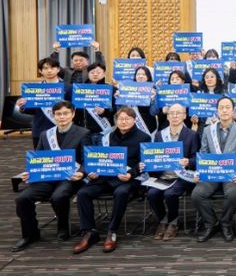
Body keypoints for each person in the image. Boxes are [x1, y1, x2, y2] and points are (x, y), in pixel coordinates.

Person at [12, 101, 90, 252]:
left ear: (73, 114)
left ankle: (63, 227)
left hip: (70, 178)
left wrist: (81, 172)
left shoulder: (83, 133)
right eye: (58, 114)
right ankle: (30, 234)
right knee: (22, 199)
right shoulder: (45, 134)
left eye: (65, 113)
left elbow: (87, 160)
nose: (62, 117)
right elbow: (38, 159)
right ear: (53, 116)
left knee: (58, 196)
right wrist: (30, 173)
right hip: (47, 177)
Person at [73, 106, 151, 253]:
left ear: (134, 120)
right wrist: (93, 171)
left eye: (127, 119)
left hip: (128, 179)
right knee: (83, 193)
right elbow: (99, 158)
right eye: (120, 119)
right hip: (105, 177)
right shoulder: (107, 137)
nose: (123, 122)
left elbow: (144, 163)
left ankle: (112, 231)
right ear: (116, 120)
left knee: (121, 193)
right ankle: (89, 231)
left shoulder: (144, 138)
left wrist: (131, 174)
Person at [191, 96, 236, 243]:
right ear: (217, 111)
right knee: (197, 194)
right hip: (212, 173)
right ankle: (211, 223)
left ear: (233, 111)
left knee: (233, 194)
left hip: (231, 173)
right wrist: (199, 172)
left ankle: (225, 223)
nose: (224, 110)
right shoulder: (207, 130)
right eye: (221, 108)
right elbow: (203, 153)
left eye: (227, 107)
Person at [142, 103, 199, 241]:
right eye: (171, 113)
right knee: (152, 194)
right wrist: (146, 163)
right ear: (167, 117)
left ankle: (173, 222)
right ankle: (163, 220)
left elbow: (197, 158)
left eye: (178, 113)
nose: (175, 116)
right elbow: (153, 156)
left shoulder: (192, 135)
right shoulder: (159, 135)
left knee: (170, 194)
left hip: (182, 176)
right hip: (163, 176)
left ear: (184, 116)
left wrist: (188, 161)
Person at [16, 57, 73, 148]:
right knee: (41, 156)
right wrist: (22, 106)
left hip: (63, 129)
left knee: (62, 156)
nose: (49, 71)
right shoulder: (33, 89)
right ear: (40, 71)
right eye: (45, 68)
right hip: (40, 130)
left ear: (58, 69)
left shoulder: (68, 87)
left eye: (52, 68)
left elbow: (74, 108)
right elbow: (30, 110)